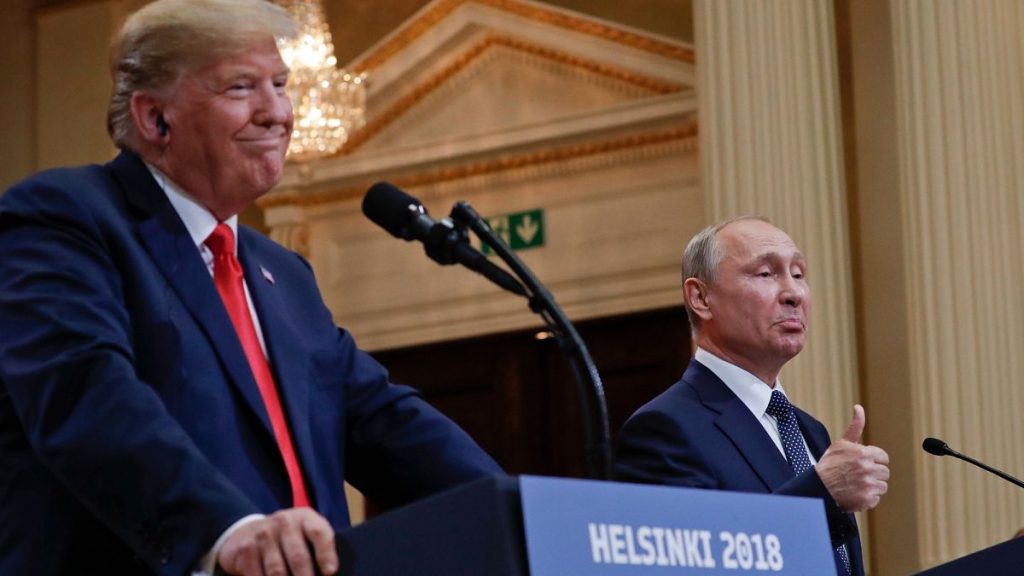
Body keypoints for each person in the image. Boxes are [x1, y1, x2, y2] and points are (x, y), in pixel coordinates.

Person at [0, 1, 502, 575]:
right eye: (241, 88)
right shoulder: (65, 219)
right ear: (154, 118)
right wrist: (226, 532)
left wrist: (521, 510)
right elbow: (86, 397)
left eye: (281, 84)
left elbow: (382, 419)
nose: (277, 113)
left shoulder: (283, 274)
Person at [614, 216, 889, 576]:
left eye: (799, 274)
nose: (793, 293)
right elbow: (690, 565)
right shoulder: (664, 429)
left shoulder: (810, 430)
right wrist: (821, 493)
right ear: (701, 298)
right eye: (766, 274)